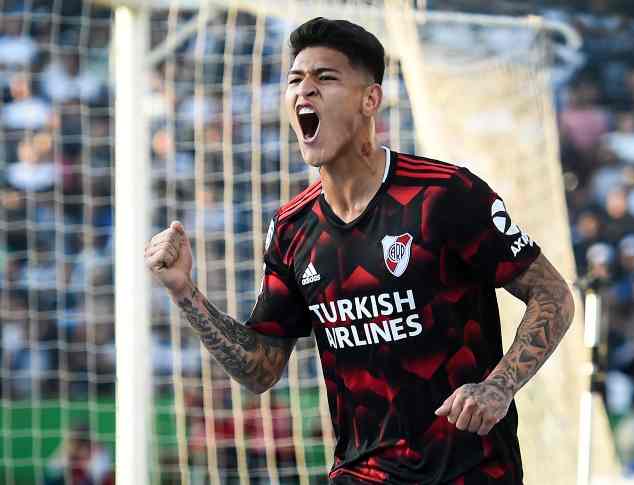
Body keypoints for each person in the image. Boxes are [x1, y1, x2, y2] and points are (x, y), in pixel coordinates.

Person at [145, 17, 574, 485]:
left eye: (324, 78)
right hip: (362, 473)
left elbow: (553, 295)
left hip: (471, 471)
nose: (304, 91)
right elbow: (260, 369)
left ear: (371, 99)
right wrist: (186, 291)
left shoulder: (445, 194)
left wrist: (498, 387)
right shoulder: (291, 229)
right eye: (295, 81)